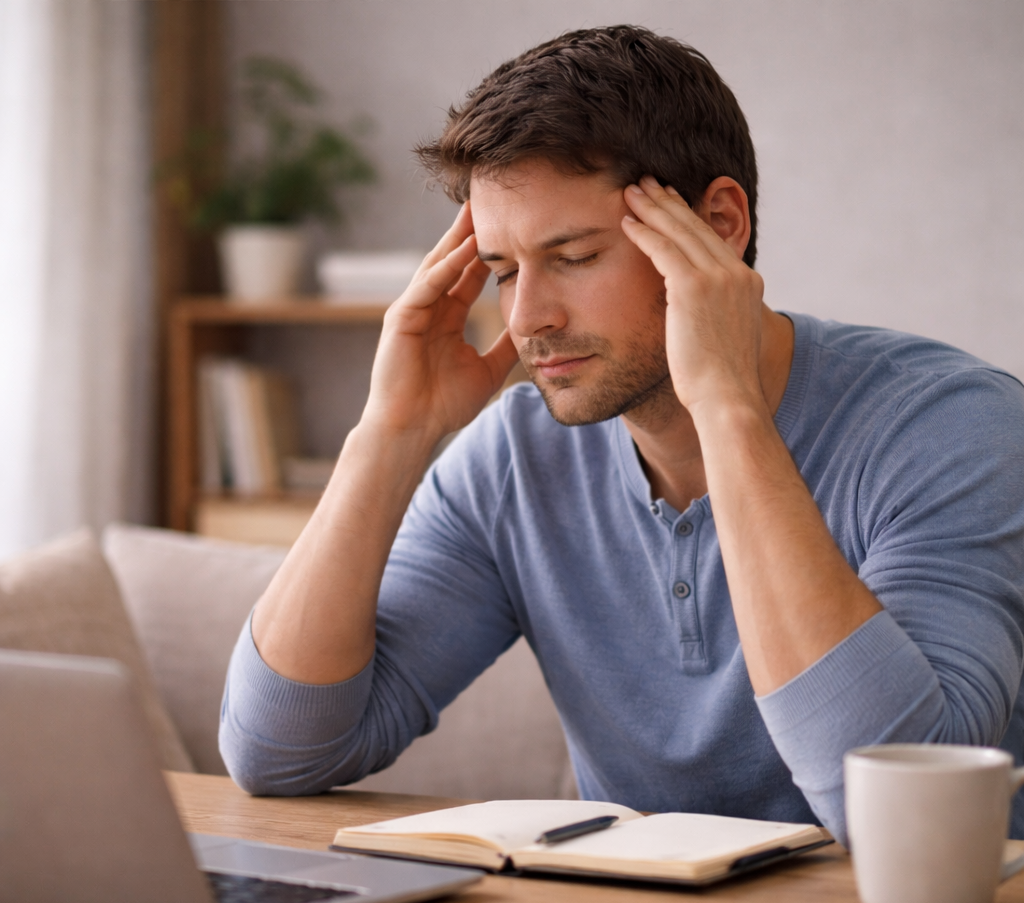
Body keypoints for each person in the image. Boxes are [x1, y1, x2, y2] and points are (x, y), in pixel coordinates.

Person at [219, 25, 1024, 845]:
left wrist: (729, 411)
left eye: (571, 255)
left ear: (718, 224)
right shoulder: (514, 460)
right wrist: (389, 433)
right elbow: (277, 753)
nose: (527, 317)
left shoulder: (951, 428)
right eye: (501, 271)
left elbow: (906, 820)